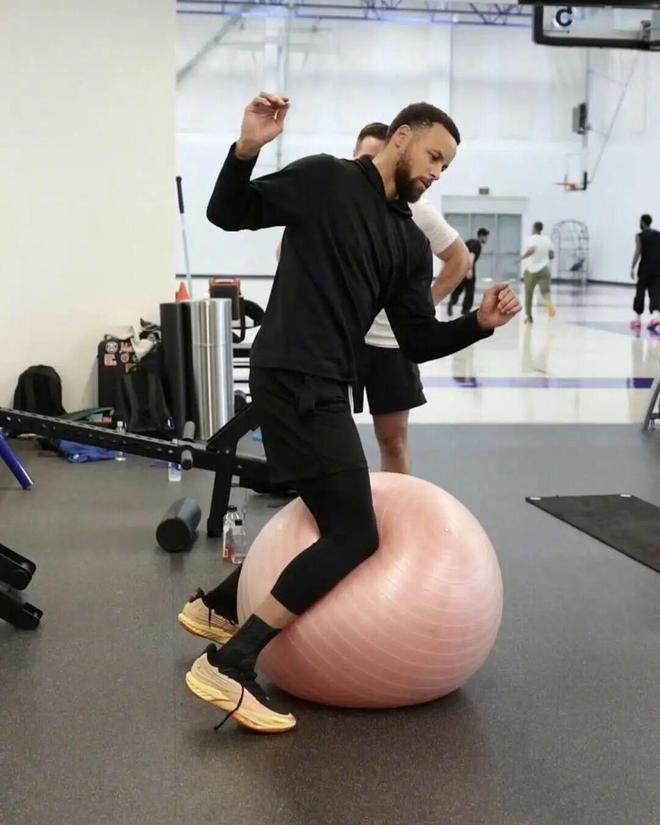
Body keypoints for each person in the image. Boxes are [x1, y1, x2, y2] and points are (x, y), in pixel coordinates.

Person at [179, 92, 521, 734]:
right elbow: (227, 212)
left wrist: (478, 323)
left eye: (446, 166)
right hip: (292, 375)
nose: (436, 173)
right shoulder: (324, 179)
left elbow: (416, 339)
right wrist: (247, 147)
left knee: (331, 514)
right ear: (401, 137)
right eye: (433, 156)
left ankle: (220, 609)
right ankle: (230, 663)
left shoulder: (407, 241)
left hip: (326, 383)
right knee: (355, 533)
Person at [353, 122, 471, 473]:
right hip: (341, 340)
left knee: (392, 439)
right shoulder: (340, 200)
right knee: (327, 438)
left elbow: (459, 258)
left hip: (391, 345)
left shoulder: (416, 209)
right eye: (362, 160)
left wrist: (421, 308)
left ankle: (397, 504)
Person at [519, 221, 556, 325]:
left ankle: (529, 317)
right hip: (544, 269)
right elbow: (552, 255)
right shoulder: (547, 239)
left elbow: (531, 250)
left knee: (529, 293)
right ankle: (550, 307)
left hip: (531, 270)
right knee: (545, 291)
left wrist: (520, 258)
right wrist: (544, 258)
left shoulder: (532, 238)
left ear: (534, 228)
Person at [447, 228, 489, 316]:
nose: (487, 239)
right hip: (467, 267)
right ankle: (465, 310)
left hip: (460, 267)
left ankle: (452, 301)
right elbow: (471, 256)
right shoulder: (477, 244)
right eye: (486, 237)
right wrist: (469, 270)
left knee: (459, 287)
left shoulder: (470, 241)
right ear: (481, 236)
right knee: (470, 290)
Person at [630, 214, 660, 331]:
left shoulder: (639, 236)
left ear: (642, 222)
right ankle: (656, 317)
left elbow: (638, 252)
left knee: (640, 292)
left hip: (644, 269)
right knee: (655, 293)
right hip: (657, 268)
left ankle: (637, 320)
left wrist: (632, 267)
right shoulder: (658, 234)